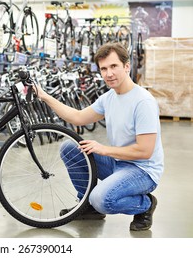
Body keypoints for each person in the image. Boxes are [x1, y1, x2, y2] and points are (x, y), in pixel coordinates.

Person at [34, 42, 164, 231]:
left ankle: (145, 204)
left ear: (126, 67)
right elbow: (78, 117)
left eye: (114, 66)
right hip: (118, 162)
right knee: (70, 148)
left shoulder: (143, 102)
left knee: (101, 199)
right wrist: (44, 96)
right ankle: (88, 207)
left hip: (142, 171)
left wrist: (103, 149)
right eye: (104, 69)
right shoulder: (109, 97)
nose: (109, 73)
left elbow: (145, 151)